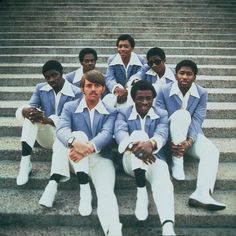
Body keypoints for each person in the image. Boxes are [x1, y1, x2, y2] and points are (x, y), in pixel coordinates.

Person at [39, 70, 122, 236]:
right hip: (73, 160)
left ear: (103, 89)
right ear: (82, 89)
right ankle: (71, 186)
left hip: (100, 159)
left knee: (106, 193)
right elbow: (62, 129)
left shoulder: (111, 111)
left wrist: (86, 149)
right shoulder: (70, 107)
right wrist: (75, 143)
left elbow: (106, 134)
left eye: (97, 86)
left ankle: (113, 230)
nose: (93, 89)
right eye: (88, 86)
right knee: (71, 137)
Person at [155, 59, 226, 211]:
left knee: (212, 152)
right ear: (175, 75)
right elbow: (159, 118)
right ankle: (177, 162)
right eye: (182, 73)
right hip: (168, 139)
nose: (185, 77)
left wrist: (189, 142)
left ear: (195, 77)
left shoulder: (201, 93)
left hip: (189, 136)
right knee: (181, 115)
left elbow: (197, 120)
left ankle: (202, 193)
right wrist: (167, 141)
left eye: (189, 74)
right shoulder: (163, 90)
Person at [114, 80, 176, 236]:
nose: (145, 102)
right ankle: (141, 193)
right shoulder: (123, 112)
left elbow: (162, 133)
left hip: (153, 159)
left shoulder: (161, 113)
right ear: (133, 98)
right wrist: (138, 147)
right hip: (129, 162)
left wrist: (151, 143)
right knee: (138, 135)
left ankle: (168, 226)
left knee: (163, 178)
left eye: (149, 98)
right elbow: (120, 134)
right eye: (140, 98)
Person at [15, 60, 82, 186]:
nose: (51, 80)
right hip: (47, 138)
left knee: (51, 119)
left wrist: (50, 120)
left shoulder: (77, 92)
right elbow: (31, 107)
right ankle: (25, 164)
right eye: (47, 77)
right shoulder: (40, 88)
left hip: (65, 138)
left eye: (54, 75)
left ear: (62, 73)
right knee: (30, 117)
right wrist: (26, 111)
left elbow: (75, 120)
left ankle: (53, 182)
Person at [103, 34, 145, 107]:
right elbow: (109, 78)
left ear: (132, 48)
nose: (122, 49)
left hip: (133, 91)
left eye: (126, 46)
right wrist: (116, 88)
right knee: (108, 100)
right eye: (120, 46)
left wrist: (129, 88)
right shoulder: (112, 59)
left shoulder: (140, 59)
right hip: (117, 92)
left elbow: (140, 75)